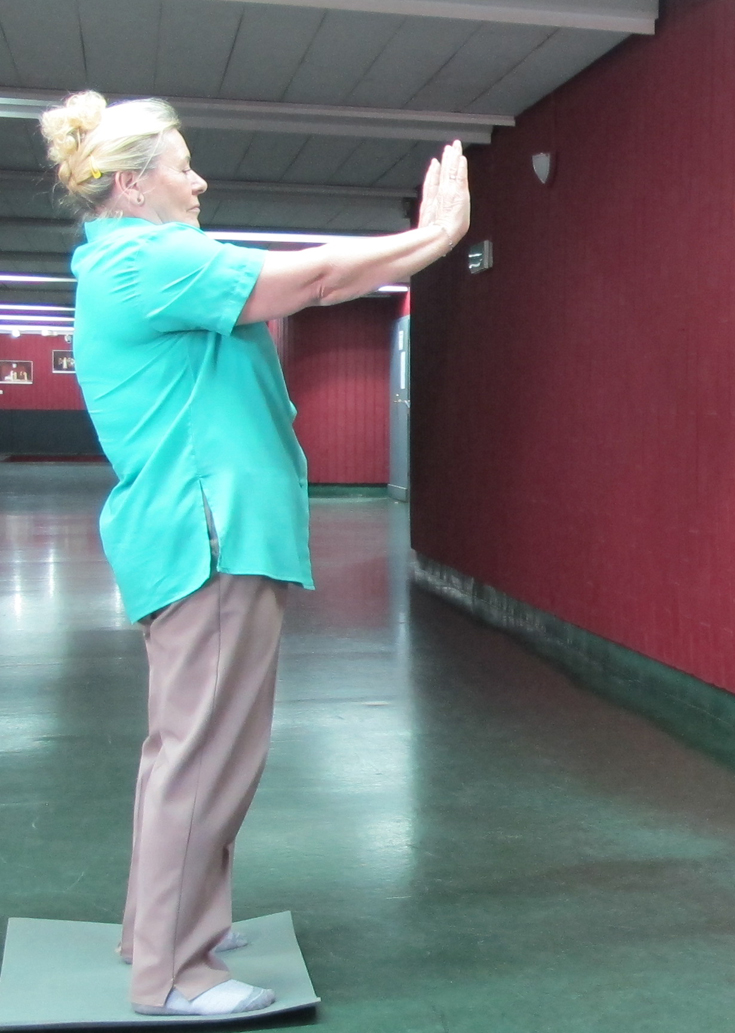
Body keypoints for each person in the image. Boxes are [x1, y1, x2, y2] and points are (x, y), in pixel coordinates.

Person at [40, 90, 470, 1016]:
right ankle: (175, 972)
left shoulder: (132, 262)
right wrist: (430, 240)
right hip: (210, 539)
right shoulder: (147, 259)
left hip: (207, 536)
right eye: (181, 166)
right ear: (131, 184)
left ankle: (161, 928)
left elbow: (310, 287)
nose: (198, 181)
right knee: (207, 754)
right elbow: (311, 280)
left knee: (189, 746)